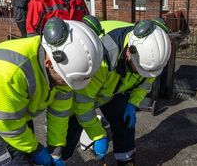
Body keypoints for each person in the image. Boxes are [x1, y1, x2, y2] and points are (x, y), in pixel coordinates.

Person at [0, 17, 103, 166]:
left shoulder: (63, 71)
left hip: (15, 115)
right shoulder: (10, 73)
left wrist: (55, 150)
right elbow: (9, 127)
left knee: (27, 154)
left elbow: (60, 114)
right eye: (66, 81)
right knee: (14, 162)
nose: (69, 87)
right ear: (49, 63)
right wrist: (36, 150)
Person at [60, 18, 171, 165]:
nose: (141, 75)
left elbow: (146, 82)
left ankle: (126, 160)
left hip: (115, 90)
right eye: (138, 70)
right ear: (129, 53)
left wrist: (132, 103)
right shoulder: (102, 58)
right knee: (69, 132)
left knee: (124, 124)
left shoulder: (152, 56)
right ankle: (59, 159)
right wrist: (97, 134)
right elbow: (82, 103)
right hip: (86, 90)